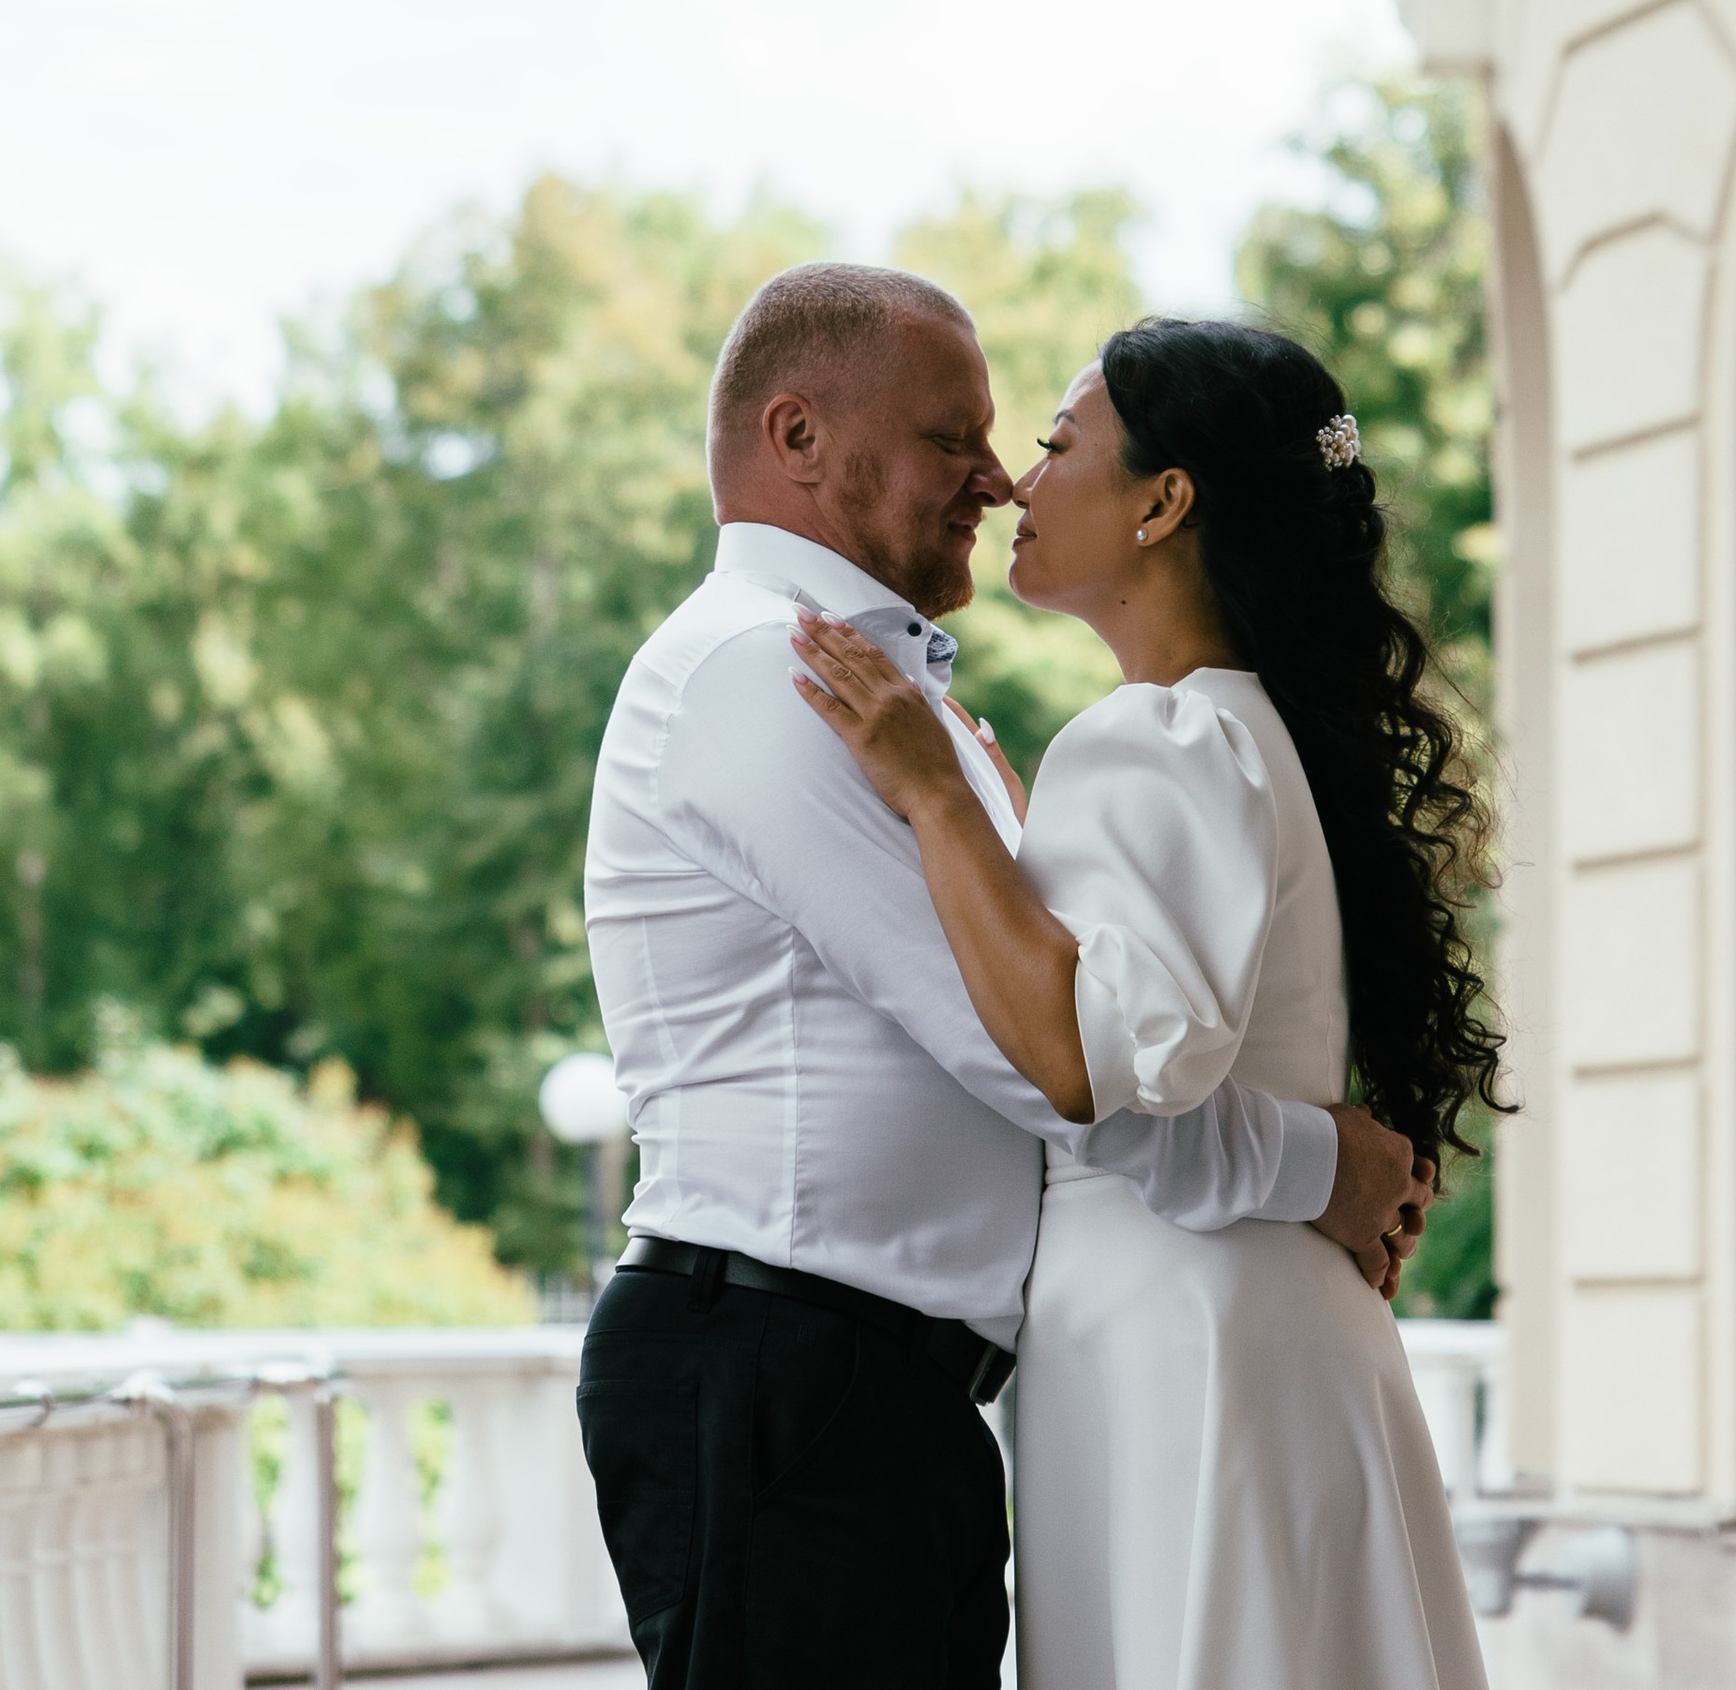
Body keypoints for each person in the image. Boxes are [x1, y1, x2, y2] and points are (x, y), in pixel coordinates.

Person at [575, 263, 1434, 1690]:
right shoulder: (772, 679)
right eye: (951, 439)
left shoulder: (923, 714)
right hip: (786, 1372)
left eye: (1018, 440)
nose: (995, 478)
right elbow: (1051, 1063)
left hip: (881, 1391)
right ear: (796, 437)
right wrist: (1322, 1171)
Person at [795, 312, 1502, 1690]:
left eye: (1059, 445)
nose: (1013, 481)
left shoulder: (1150, 736)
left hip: (1183, 1341)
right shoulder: (1249, 730)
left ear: (1165, 502)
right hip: (1254, 1324)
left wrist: (934, 799)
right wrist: (1328, 1166)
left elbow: (1104, 1080)